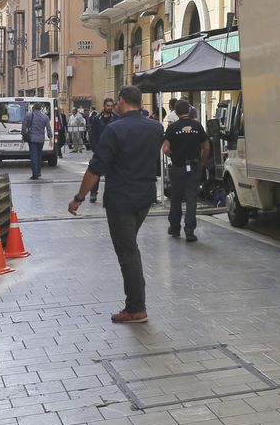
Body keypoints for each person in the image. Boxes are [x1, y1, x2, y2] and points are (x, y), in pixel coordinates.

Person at [69, 86, 165, 324]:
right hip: (144, 197)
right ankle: (136, 302)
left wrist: (79, 198)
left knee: (127, 252)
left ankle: (136, 308)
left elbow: (95, 168)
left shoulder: (114, 129)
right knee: (130, 247)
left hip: (121, 199)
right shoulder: (156, 128)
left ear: (122, 101)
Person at [163, 102, 207, 242]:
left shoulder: (172, 128)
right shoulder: (197, 126)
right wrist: (202, 162)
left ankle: (175, 228)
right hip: (194, 167)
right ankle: (190, 231)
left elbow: (165, 149)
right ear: (189, 110)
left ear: (175, 111)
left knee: (176, 199)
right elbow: (206, 147)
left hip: (178, 167)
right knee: (191, 199)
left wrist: (174, 156)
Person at [86, 98, 116, 202]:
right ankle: (93, 193)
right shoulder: (96, 119)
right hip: (99, 150)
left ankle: (110, 194)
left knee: (111, 174)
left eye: (112, 106)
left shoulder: (117, 119)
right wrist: (95, 148)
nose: (110, 108)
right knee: (96, 172)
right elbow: (92, 135)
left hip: (112, 151)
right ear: (104, 106)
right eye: (108, 106)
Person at [23, 100, 51, 180]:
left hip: (32, 139)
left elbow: (24, 127)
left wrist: (23, 135)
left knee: (34, 156)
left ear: (34, 108)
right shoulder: (45, 117)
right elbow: (48, 128)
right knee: (39, 156)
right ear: (40, 109)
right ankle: (38, 172)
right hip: (41, 139)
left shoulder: (28, 115)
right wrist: (50, 137)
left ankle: (35, 174)